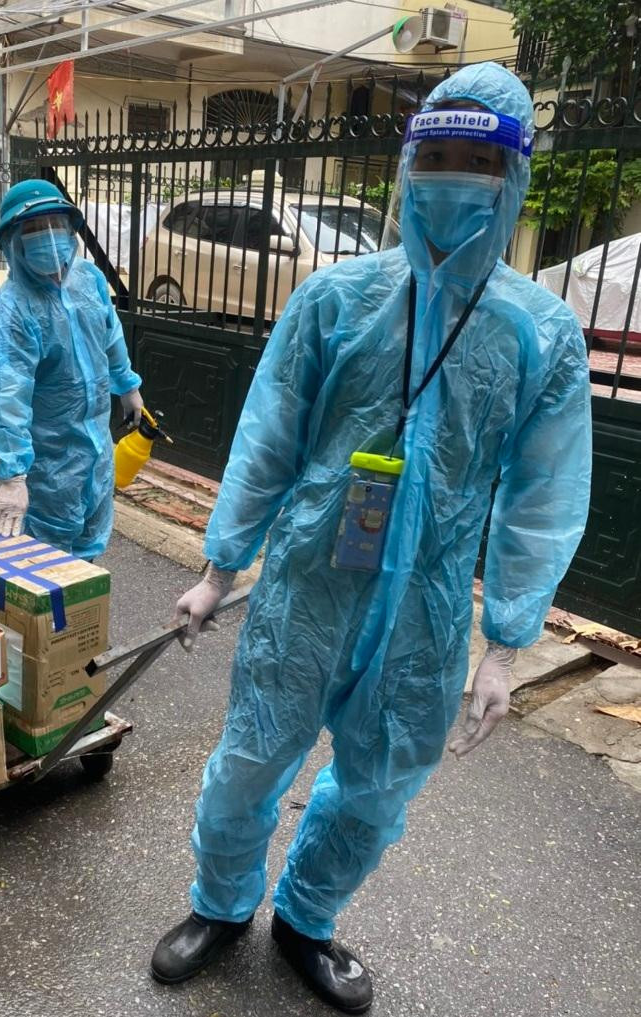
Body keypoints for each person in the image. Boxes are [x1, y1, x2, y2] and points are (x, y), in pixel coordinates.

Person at [152, 64, 592, 1013]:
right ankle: (220, 903)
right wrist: (221, 567)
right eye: (437, 155)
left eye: (479, 159)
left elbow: (543, 492)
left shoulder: (540, 332)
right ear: (406, 165)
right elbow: (268, 434)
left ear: (511, 173)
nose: (454, 176)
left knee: (379, 783)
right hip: (306, 581)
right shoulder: (335, 297)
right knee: (248, 760)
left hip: (425, 611)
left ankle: (305, 918)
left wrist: (506, 644)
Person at [0, 179, 143, 560]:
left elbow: (110, 334)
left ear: (70, 229)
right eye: (34, 228)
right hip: (51, 464)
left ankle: (84, 600)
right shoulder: (10, 314)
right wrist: (14, 476)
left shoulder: (89, 280)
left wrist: (127, 385)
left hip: (96, 452)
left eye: (56, 224)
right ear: (13, 241)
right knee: (46, 564)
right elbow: (8, 399)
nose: (49, 237)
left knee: (88, 553)